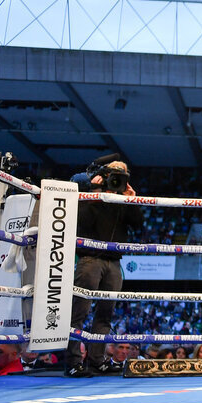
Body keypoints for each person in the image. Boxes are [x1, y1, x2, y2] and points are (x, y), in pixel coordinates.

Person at [66, 161, 142, 377]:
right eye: (115, 173)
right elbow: (83, 222)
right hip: (90, 259)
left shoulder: (122, 199)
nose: (118, 177)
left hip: (114, 262)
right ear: (105, 174)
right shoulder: (90, 193)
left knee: (105, 315)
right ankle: (73, 362)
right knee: (78, 313)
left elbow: (137, 224)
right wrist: (95, 192)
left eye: (123, 174)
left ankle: (96, 361)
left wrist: (131, 200)